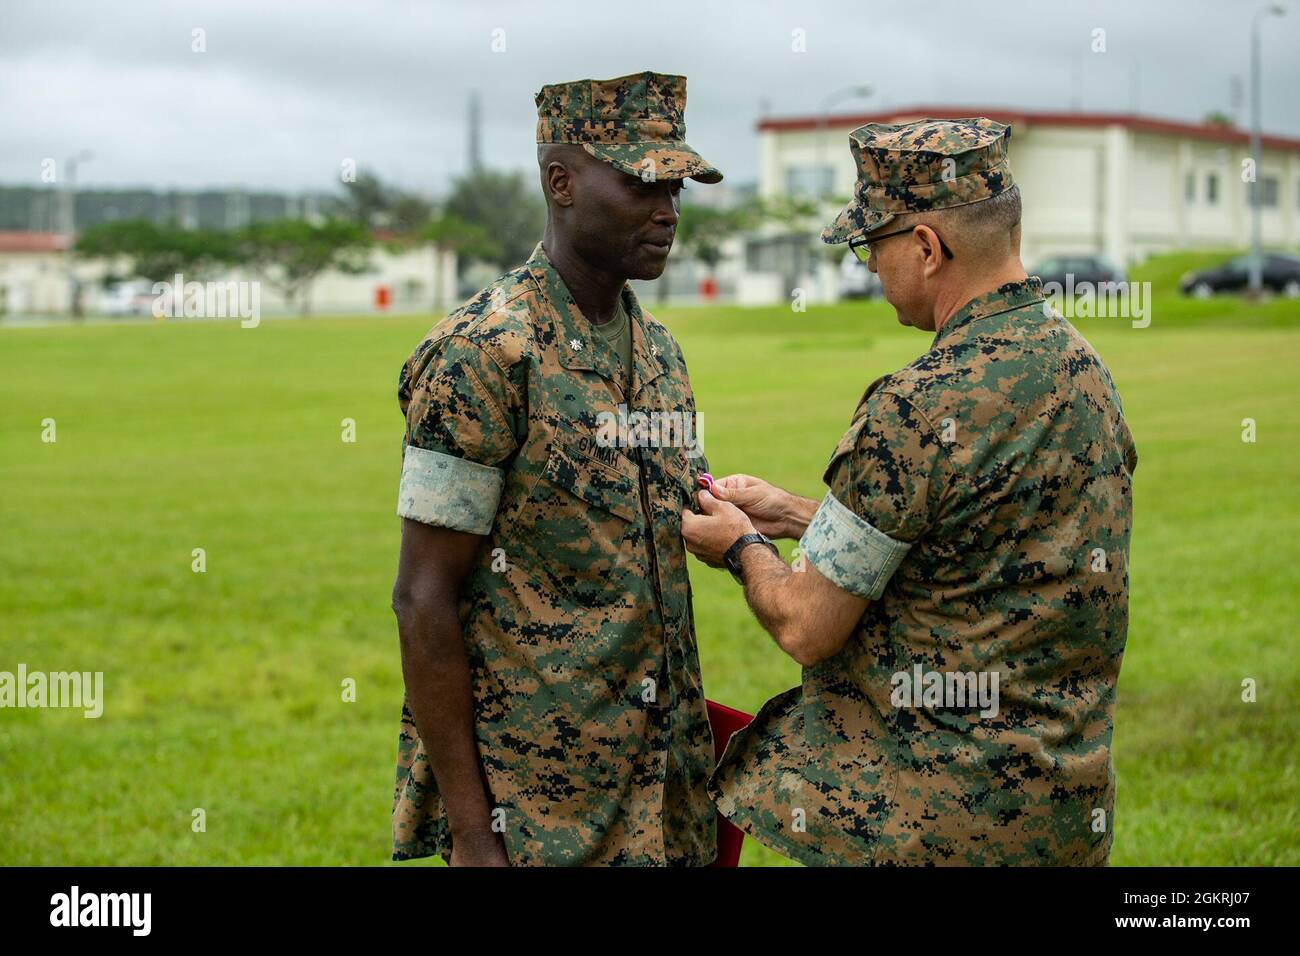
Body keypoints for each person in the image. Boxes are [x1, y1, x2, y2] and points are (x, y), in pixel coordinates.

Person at [681, 118, 1138, 866]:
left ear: (926, 249)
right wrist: (802, 517)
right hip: (1063, 815)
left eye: (872, 246)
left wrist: (741, 546)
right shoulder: (1082, 369)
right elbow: (975, 544)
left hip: (932, 824)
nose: (868, 268)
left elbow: (805, 625)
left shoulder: (917, 405)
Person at [390, 71, 723, 866]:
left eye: (676, 186)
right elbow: (422, 596)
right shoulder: (482, 354)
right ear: (561, 181)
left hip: (668, 794)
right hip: (539, 812)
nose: (667, 210)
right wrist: (474, 832)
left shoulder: (660, 354)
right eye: (642, 182)